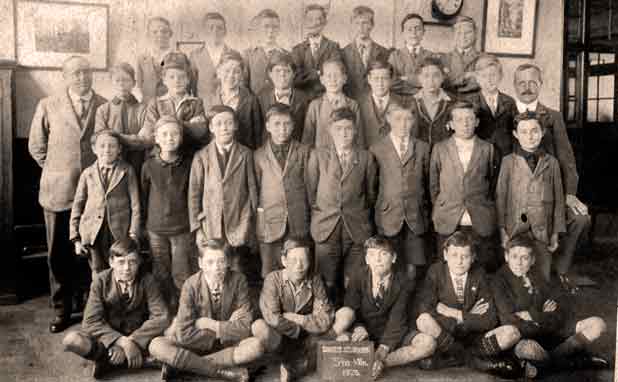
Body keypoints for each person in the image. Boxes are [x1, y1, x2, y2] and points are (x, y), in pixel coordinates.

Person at [28, 55, 107, 332]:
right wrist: (57, 169)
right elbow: (37, 148)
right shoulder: (48, 105)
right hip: (58, 193)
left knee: (92, 252)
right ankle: (62, 309)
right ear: (65, 77)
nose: (83, 77)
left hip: (94, 194)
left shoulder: (104, 105)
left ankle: (90, 306)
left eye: (87, 72)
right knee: (58, 253)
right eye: (76, 73)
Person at [512, 63, 589, 293]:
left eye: (532, 82)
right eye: (522, 83)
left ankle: (560, 271)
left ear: (541, 84)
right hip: (515, 195)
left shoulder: (553, 116)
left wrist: (569, 195)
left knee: (579, 218)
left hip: (550, 193)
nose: (527, 87)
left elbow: (567, 160)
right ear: (514, 85)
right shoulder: (505, 114)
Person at [492, 234, 608, 377]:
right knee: (528, 349)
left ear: (533, 260)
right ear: (506, 256)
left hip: (549, 333)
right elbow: (509, 319)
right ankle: (574, 362)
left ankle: (550, 362)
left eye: (525, 258)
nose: (519, 263)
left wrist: (532, 316)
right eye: (514, 256)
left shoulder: (536, 275)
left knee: (598, 324)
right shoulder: (499, 281)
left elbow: (559, 303)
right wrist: (542, 315)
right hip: (525, 338)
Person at [148, 239, 263, 382]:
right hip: (197, 345)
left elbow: (245, 328)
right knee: (156, 345)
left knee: (256, 346)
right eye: (210, 262)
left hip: (227, 346)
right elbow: (184, 334)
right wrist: (225, 328)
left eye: (221, 261)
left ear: (228, 262)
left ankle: (184, 368)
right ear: (200, 263)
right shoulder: (190, 285)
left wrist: (210, 324)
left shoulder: (239, 280)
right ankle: (219, 372)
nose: (217, 268)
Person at [415, 231, 523, 377]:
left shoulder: (479, 273)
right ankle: (471, 359)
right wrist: (468, 316)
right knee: (423, 320)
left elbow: (490, 319)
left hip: (473, 337)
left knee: (512, 333)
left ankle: (456, 357)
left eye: (465, 256)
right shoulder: (436, 271)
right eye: (454, 255)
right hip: (446, 334)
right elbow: (425, 308)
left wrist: (453, 313)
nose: (459, 261)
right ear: (445, 255)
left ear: (472, 258)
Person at [62, 238, 169, 379]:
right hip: (109, 338)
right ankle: (142, 361)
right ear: (111, 262)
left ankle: (107, 362)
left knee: (170, 335)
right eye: (121, 262)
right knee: (72, 340)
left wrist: (133, 341)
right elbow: (90, 322)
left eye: (132, 262)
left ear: (139, 262)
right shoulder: (100, 281)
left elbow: (161, 317)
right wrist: (121, 342)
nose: (127, 268)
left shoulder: (147, 280)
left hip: (140, 337)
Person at [332, 236, 436, 380]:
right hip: (365, 333)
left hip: (394, 334)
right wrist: (358, 327)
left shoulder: (404, 281)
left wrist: (382, 352)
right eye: (372, 255)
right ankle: (367, 359)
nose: (378, 260)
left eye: (383, 254)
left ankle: (380, 363)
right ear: (367, 259)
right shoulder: (358, 276)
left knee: (428, 344)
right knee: (343, 319)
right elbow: (352, 308)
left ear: (393, 258)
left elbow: (397, 321)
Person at [307, 107, 377, 304]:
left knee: (352, 280)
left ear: (355, 130)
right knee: (326, 280)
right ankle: (326, 321)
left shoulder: (365, 157)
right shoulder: (318, 156)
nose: (344, 133)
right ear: (330, 130)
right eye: (339, 129)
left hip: (356, 227)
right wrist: (325, 211)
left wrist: (357, 212)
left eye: (348, 128)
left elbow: (370, 193)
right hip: (325, 227)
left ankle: (350, 319)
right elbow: (311, 192)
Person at [430, 101, 500, 270]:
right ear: (451, 124)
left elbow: (493, 184)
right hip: (448, 219)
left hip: (480, 220)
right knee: (448, 269)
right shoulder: (440, 149)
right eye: (459, 119)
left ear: (477, 122)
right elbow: (433, 187)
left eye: (469, 118)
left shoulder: (488, 149)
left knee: (481, 268)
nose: (465, 123)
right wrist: (445, 204)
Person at [496, 112, 566, 282]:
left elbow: (558, 200)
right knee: (516, 273)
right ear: (515, 134)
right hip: (515, 228)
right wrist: (502, 230)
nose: (530, 136)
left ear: (542, 132)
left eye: (534, 131)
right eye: (524, 132)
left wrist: (555, 233)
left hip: (542, 230)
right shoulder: (508, 162)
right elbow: (500, 197)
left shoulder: (552, 163)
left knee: (542, 274)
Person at [252, 239, 335, 382]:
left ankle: (294, 366)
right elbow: (272, 317)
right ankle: (294, 361)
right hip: (282, 337)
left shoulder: (315, 280)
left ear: (310, 261)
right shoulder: (273, 279)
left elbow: (325, 318)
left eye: (304, 260)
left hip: (308, 335)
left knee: (342, 319)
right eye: (293, 260)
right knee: (259, 326)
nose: (299, 266)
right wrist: (298, 330)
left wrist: (299, 319)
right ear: (284, 260)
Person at [188, 105, 258, 274]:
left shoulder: (246, 154)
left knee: (237, 267)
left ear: (235, 126)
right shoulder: (202, 156)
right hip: (211, 223)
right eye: (219, 124)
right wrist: (197, 229)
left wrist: (251, 221)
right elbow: (194, 194)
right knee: (214, 268)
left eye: (228, 123)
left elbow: (252, 189)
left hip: (239, 221)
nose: (224, 128)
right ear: (211, 128)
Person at [370, 103, 430, 283]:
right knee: (389, 266)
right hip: (388, 216)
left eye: (408, 119)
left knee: (413, 268)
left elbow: (428, 183)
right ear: (388, 119)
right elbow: (372, 187)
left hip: (416, 215)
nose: (403, 124)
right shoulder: (377, 149)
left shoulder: (423, 148)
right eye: (398, 119)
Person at [70, 130, 141, 278]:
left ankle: (118, 299)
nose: (107, 150)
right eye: (102, 146)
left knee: (120, 269)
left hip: (119, 231)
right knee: (97, 271)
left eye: (112, 146)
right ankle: (99, 299)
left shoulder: (127, 171)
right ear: (94, 149)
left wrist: (133, 233)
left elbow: (136, 205)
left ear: (119, 149)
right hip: (94, 232)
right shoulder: (87, 174)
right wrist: (76, 238)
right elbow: (78, 205)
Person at [141, 116, 194, 314]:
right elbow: (144, 195)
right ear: (156, 138)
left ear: (181, 137)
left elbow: (192, 194)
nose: (170, 138)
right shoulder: (148, 166)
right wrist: (145, 225)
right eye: (164, 134)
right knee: (161, 272)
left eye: (175, 134)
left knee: (181, 272)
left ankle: (184, 311)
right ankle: (164, 312)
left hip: (182, 228)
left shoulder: (189, 164)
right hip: (156, 229)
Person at [253, 104, 312, 277]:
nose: (282, 129)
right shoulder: (258, 155)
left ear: (293, 125)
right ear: (268, 126)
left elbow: (311, 187)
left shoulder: (304, 152)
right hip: (269, 222)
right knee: (270, 270)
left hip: (298, 220)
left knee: (298, 267)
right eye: (277, 124)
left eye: (287, 124)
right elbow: (254, 191)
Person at [140, 51, 208, 154]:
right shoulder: (156, 103)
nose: (177, 81)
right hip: (160, 156)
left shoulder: (196, 103)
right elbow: (149, 135)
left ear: (188, 79)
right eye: (172, 77)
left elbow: (199, 133)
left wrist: (163, 124)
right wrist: (188, 125)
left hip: (188, 155)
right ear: (164, 80)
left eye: (182, 77)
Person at [94, 63, 148, 177]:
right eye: (117, 80)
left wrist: (115, 136)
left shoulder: (143, 109)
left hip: (137, 163)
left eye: (126, 80)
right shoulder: (103, 110)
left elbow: (144, 141)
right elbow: (100, 140)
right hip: (111, 166)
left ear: (133, 83)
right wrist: (132, 139)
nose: (121, 84)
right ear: (111, 82)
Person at [203, 51, 264, 149]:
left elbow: (257, 135)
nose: (231, 75)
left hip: (244, 155)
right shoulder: (208, 100)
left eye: (236, 71)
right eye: (227, 71)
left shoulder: (251, 100)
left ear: (241, 75)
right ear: (218, 72)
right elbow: (206, 135)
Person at [302, 58, 363, 149]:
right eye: (329, 76)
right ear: (322, 80)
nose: (333, 80)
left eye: (337, 75)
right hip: (321, 159)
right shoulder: (315, 106)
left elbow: (359, 140)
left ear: (345, 79)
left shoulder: (353, 105)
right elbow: (307, 142)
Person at [465, 54, 517, 158]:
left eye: (493, 75)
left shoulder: (509, 102)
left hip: (505, 154)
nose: (489, 80)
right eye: (483, 76)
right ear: (477, 79)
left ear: (501, 76)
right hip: (478, 154)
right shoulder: (469, 102)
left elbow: (515, 129)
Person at [291, 3, 342, 99]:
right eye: (310, 19)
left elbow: (334, 74)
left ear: (324, 22)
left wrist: (306, 74)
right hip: (303, 102)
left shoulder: (333, 47)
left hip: (327, 99)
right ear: (305, 22)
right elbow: (295, 79)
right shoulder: (297, 50)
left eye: (318, 19)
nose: (314, 23)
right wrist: (319, 73)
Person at [257, 52, 311, 142]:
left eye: (287, 71)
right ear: (270, 74)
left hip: (297, 148)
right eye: (277, 71)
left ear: (294, 74)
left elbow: (307, 131)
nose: (282, 75)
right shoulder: (261, 98)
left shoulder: (304, 99)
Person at [358, 59, 410, 148]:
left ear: (391, 80)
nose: (380, 83)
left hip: (393, 156)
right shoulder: (359, 104)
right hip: (367, 156)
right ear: (369, 79)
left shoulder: (402, 103)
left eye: (384, 78)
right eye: (376, 79)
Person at [341, 6, 390, 100]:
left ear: (372, 25)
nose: (361, 27)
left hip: (374, 105)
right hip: (351, 104)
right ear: (352, 25)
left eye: (365, 23)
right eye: (357, 23)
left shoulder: (384, 52)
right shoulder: (343, 53)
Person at [190, 12, 240, 101]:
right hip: (204, 108)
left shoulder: (234, 54)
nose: (215, 31)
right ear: (204, 31)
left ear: (225, 31)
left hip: (227, 106)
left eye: (219, 28)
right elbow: (192, 85)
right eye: (211, 27)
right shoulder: (195, 56)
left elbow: (239, 84)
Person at [242, 9, 289, 95]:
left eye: (275, 27)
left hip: (278, 105)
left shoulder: (286, 55)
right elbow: (243, 85)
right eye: (266, 26)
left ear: (279, 29)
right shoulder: (248, 54)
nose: (271, 31)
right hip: (255, 105)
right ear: (259, 28)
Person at [411, 57, 454, 148]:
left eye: (436, 75)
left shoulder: (453, 102)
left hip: (444, 154)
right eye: (426, 76)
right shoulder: (410, 102)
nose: (431, 81)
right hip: (418, 154)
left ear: (443, 77)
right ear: (419, 78)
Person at [388, 13, 434, 96]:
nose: (414, 33)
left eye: (418, 29)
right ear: (403, 33)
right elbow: (392, 83)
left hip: (424, 102)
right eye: (409, 29)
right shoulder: (394, 56)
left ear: (423, 32)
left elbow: (433, 83)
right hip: (401, 102)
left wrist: (406, 78)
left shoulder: (431, 56)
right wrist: (420, 82)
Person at [136, 17, 174, 103]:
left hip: (170, 106)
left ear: (170, 34)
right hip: (147, 106)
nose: (160, 35)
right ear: (148, 35)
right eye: (155, 32)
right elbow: (139, 85)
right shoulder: (142, 59)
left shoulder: (179, 57)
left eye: (164, 31)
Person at [441, 16, 480, 94]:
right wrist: (466, 76)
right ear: (453, 35)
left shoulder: (484, 58)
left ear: (475, 33)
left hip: (474, 103)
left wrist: (454, 79)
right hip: (449, 102)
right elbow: (443, 84)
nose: (463, 36)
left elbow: (480, 83)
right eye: (459, 33)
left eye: (468, 32)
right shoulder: (444, 58)